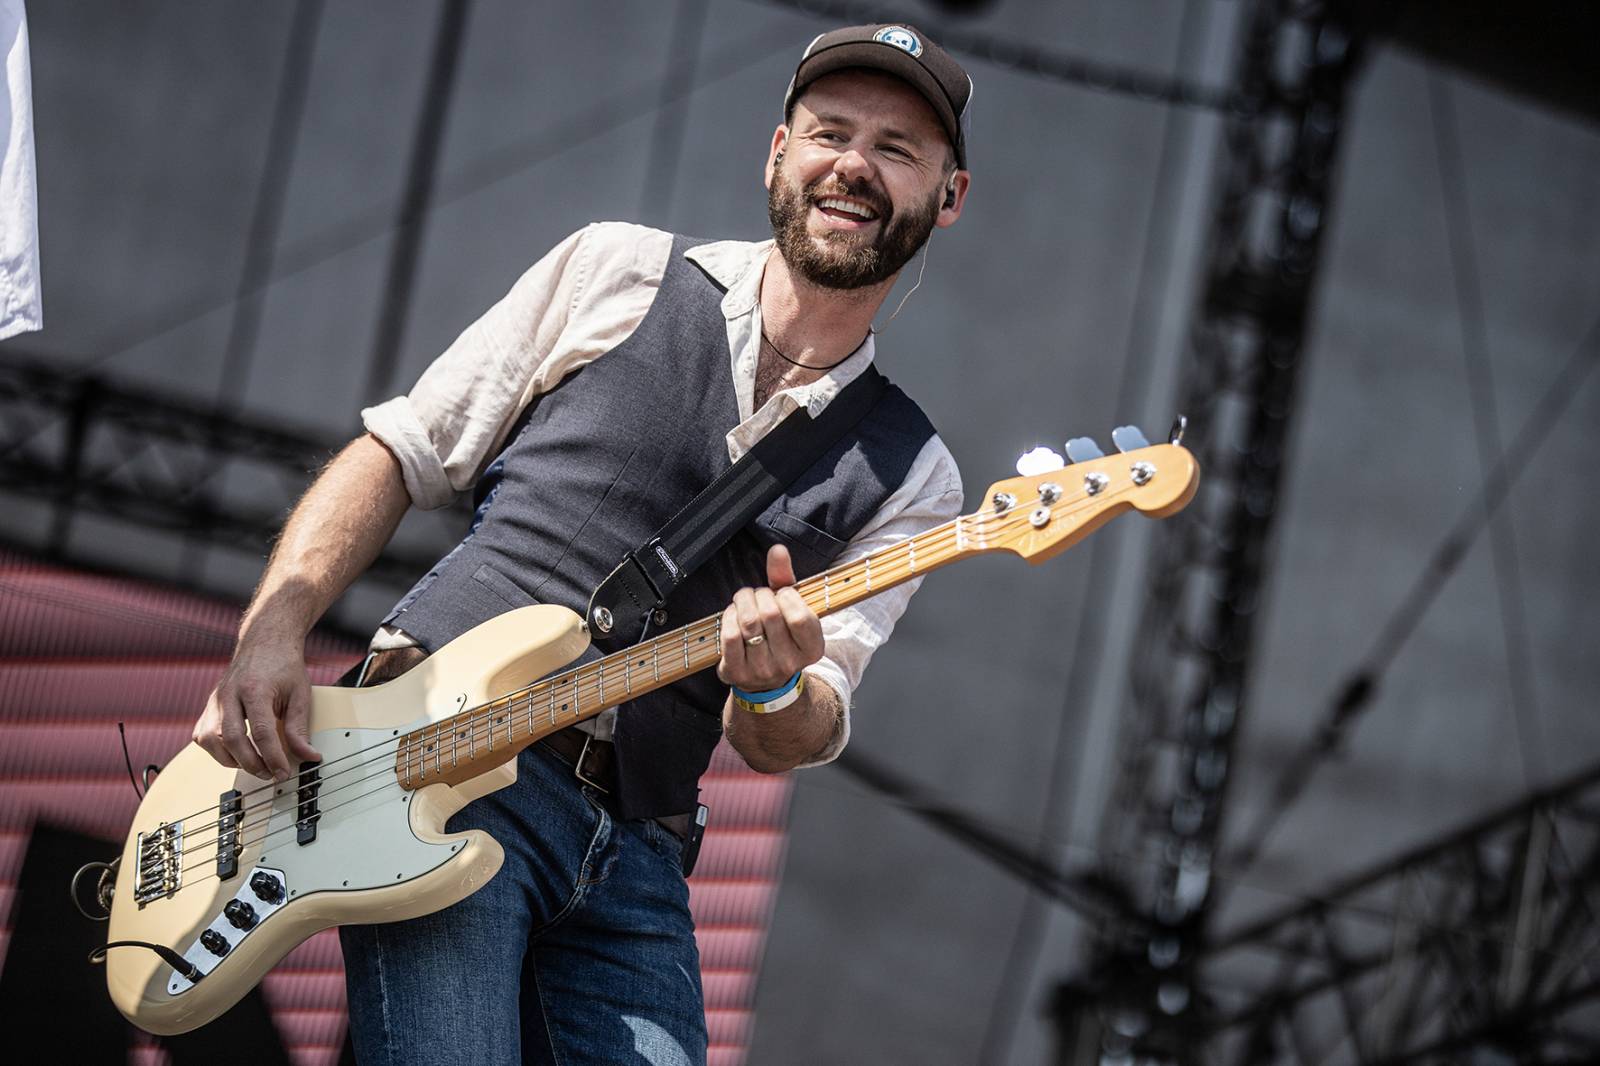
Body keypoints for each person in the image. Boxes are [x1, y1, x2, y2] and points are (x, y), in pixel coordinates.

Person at [191, 22, 973, 1066]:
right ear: (776, 150)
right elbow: (402, 450)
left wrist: (779, 688)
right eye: (831, 132)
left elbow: (792, 727)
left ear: (948, 197)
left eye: (897, 149)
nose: (854, 166)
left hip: (638, 852)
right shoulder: (617, 269)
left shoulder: (915, 471)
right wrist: (274, 623)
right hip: (441, 765)